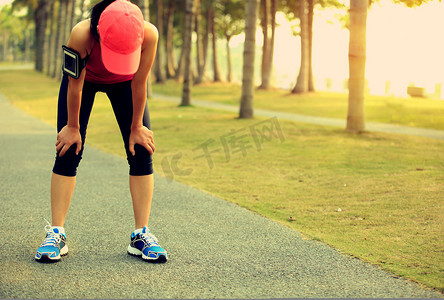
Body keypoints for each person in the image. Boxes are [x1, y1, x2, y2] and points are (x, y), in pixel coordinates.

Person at [34, 0, 168, 263]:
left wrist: (137, 126)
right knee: (68, 149)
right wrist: (72, 127)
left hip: (126, 84)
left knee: (141, 149)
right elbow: (75, 85)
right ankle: (57, 233)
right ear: (98, 33)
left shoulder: (148, 34)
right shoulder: (81, 34)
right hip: (86, 81)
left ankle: (141, 235)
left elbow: (139, 83)